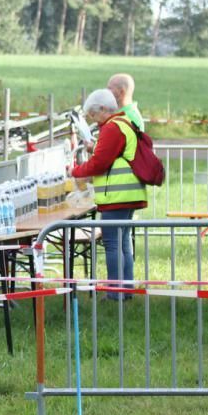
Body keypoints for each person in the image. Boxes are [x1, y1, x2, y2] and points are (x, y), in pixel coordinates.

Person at [71, 89, 148, 297]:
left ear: (104, 109)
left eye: (94, 116)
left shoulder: (112, 128)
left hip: (118, 195)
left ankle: (115, 292)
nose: (94, 122)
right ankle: (126, 289)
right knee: (123, 243)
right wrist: (95, 147)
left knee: (112, 243)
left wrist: (75, 171)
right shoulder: (122, 123)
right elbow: (114, 154)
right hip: (128, 194)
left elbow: (100, 163)